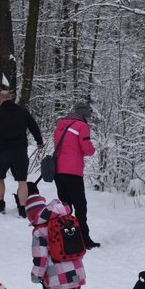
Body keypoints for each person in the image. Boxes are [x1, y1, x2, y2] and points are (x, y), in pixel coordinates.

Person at [25, 184, 93, 289]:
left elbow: (40, 258)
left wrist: (36, 275)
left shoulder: (39, 231)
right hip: (76, 272)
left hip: (56, 278)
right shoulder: (64, 222)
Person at [0, 90, 43, 217]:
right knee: (22, 181)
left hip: (2, 151)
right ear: (11, 99)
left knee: (0, 177)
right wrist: (39, 140)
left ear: (0, 100)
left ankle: (0, 203)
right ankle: (22, 208)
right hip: (20, 150)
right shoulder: (22, 112)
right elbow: (33, 126)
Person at [54, 101, 99, 249]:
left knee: (65, 207)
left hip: (58, 171)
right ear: (84, 115)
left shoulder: (60, 125)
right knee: (80, 206)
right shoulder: (82, 126)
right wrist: (92, 149)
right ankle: (84, 239)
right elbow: (87, 149)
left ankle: (65, 237)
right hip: (73, 171)